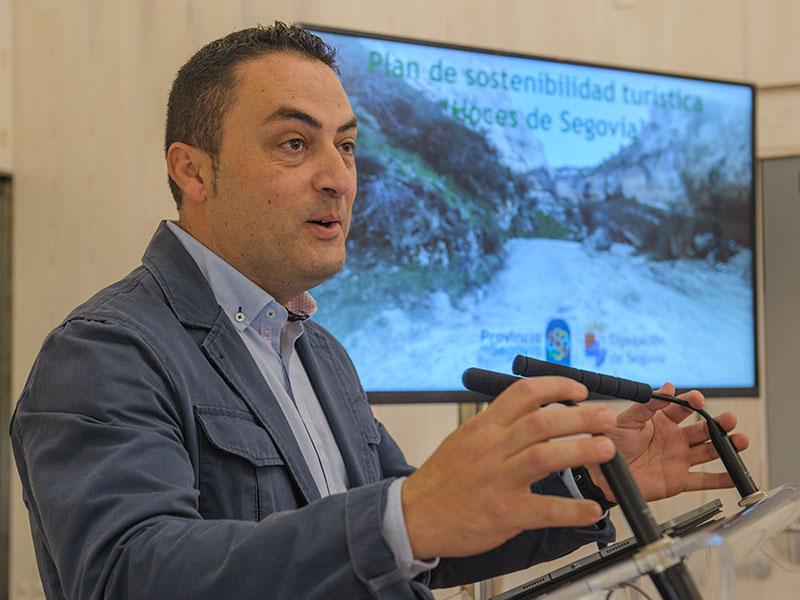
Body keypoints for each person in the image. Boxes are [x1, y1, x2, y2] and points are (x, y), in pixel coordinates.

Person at [11, 22, 749, 600]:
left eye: (347, 146)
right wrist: (406, 516)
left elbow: (433, 531)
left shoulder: (320, 352)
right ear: (193, 170)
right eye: (295, 143)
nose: (338, 177)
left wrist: (590, 481)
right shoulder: (105, 352)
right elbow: (127, 573)